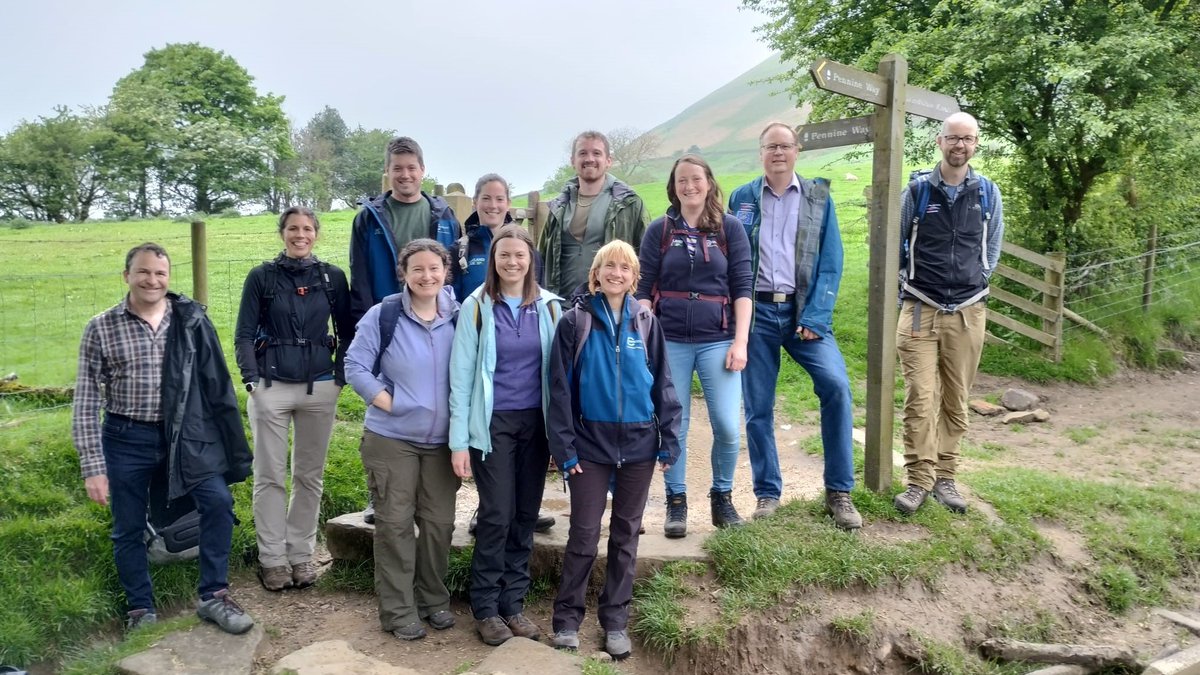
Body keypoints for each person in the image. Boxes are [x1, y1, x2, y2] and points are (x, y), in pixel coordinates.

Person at [72, 243, 254, 634]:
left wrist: (226, 445)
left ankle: (213, 595)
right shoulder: (101, 327)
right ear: (127, 276)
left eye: (160, 273)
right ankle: (141, 610)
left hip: (187, 435)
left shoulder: (189, 320)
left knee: (218, 503)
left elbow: (216, 384)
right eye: (143, 272)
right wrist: (93, 467)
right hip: (126, 436)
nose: (152, 280)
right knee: (128, 526)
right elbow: (86, 402)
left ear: (168, 278)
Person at [547, 240, 683, 660]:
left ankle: (616, 621)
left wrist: (669, 437)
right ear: (597, 272)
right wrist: (564, 448)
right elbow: (559, 390)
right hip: (589, 445)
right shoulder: (575, 322)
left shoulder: (646, 321)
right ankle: (567, 620)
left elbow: (663, 382)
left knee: (626, 535)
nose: (617, 273)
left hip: (640, 445)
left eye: (625, 267)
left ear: (634, 276)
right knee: (584, 534)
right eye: (610, 266)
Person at [727, 122, 862, 531]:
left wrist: (816, 317)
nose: (778, 153)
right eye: (771, 147)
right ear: (761, 153)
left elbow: (831, 262)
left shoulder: (819, 197)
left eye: (785, 146)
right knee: (758, 408)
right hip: (759, 316)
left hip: (804, 314)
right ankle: (767, 494)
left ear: (797, 151)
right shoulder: (744, 197)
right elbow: (733, 259)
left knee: (836, 386)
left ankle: (839, 492)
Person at [449, 225, 563, 646]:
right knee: (496, 513)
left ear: (531, 259)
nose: (512, 262)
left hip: (536, 425)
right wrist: (459, 440)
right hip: (491, 425)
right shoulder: (476, 307)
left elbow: (561, 377)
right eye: (503, 256)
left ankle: (512, 603)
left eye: (519, 255)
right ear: (493, 261)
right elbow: (460, 378)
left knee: (524, 515)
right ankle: (484, 606)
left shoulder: (551, 307)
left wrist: (563, 439)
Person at [344, 239, 461, 641]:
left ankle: (433, 601)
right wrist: (385, 401)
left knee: (438, 525)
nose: (426, 276)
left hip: (443, 442)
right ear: (404, 274)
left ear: (446, 270)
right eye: (418, 269)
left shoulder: (460, 315)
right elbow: (355, 363)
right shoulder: (385, 314)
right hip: (391, 437)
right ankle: (397, 611)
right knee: (393, 525)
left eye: (434, 268)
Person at [234, 207, 354, 591]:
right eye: (292, 228)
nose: (299, 235)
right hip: (271, 386)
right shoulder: (262, 277)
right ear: (281, 233)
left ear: (316, 234)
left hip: (320, 387)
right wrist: (251, 380)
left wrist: (339, 376)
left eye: (306, 229)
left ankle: (300, 554)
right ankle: (272, 558)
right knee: (269, 475)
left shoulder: (332, 277)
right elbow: (243, 333)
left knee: (309, 475)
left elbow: (349, 331)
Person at [635, 155, 753, 538]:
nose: (689, 186)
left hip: (718, 339)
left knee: (726, 425)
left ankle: (722, 497)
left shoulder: (729, 228)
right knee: (676, 424)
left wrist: (740, 341)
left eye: (696, 179)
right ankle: (676, 501)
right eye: (682, 180)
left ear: (708, 182)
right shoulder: (659, 230)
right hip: (670, 341)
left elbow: (743, 287)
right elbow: (643, 286)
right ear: (674, 186)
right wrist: (642, 326)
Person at [893, 112, 1004, 516]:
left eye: (967, 139)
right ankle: (918, 481)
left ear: (976, 144)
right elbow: (896, 246)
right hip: (920, 307)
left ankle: (946, 477)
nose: (960, 145)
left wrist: (979, 281)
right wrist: (904, 290)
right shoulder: (918, 192)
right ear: (940, 142)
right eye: (953, 138)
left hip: (968, 313)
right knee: (921, 398)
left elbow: (992, 249)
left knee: (956, 399)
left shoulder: (988, 193)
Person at [348, 136, 461, 523]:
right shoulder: (369, 216)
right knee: (384, 415)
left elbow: (453, 272)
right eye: (397, 168)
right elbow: (359, 274)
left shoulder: (444, 215)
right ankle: (379, 497)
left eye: (412, 167)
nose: (405, 174)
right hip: (388, 321)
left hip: (432, 315)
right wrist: (368, 319)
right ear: (388, 173)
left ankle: (430, 494)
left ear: (422, 170)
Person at [453, 174, 555, 536]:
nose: (493, 205)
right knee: (497, 511)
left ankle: (513, 588)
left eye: (500, 199)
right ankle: (491, 513)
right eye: (486, 198)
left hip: (529, 409)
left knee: (521, 506)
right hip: (478, 348)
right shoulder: (462, 247)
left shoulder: (548, 306)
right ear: (475, 201)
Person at [537, 130, 649, 298]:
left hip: (610, 306)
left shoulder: (629, 204)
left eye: (596, 153)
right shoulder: (558, 208)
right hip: (562, 305)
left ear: (608, 161)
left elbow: (645, 258)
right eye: (583, 153)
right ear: (573, 161)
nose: (589, 159)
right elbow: (542, 258)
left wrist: (640, 300)